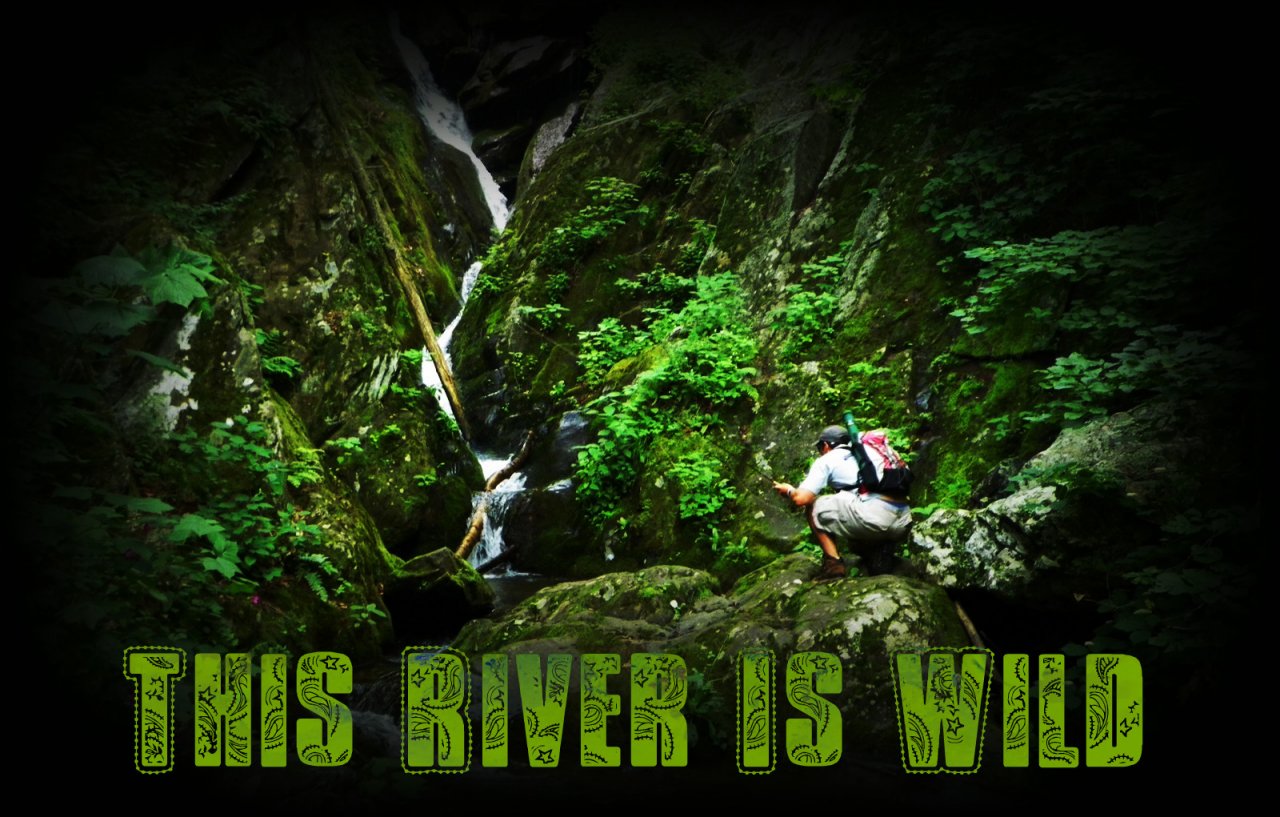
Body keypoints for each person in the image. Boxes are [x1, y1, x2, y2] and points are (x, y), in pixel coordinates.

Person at [772, 425, 912, 580]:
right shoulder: (869, 453)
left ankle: (834, 565)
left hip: (875, 519)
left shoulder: (827, 459)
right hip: (903, 522)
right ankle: (879, 555)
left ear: (826, 445)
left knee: (813, 505)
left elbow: (801, 498)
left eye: (820, 447)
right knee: (854, 519)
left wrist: (790, 491)